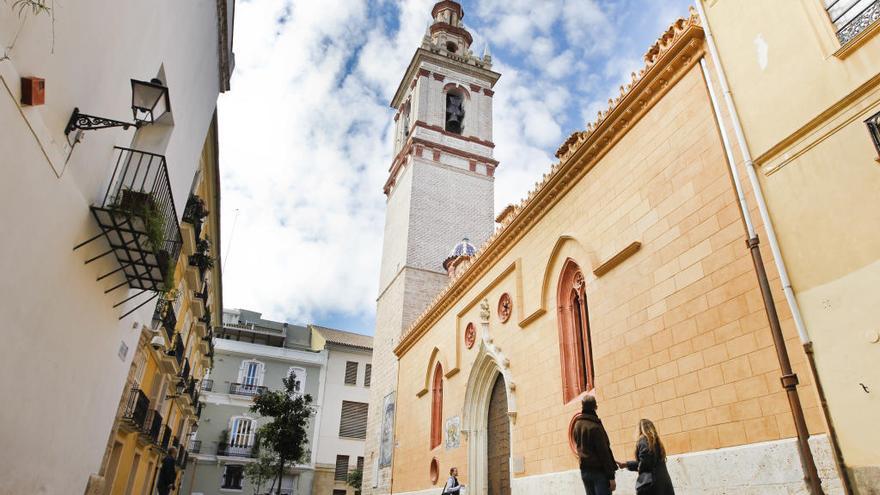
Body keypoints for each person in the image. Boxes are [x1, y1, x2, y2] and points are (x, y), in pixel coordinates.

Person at [572, 395, 618, 495]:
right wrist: (611, 476)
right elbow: (604, 452)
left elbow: (576, 443)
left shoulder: (577, 425)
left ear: (582, 406)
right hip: (599, 472)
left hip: (584, 471)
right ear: (595, 407)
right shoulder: (595, 426)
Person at [617, 419, 675, 495]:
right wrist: (626, 464)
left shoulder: (643, 440)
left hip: (650, 484)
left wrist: (639, 467)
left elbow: (645, 463)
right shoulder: (657, 442)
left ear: (640, 429)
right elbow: (648, 461)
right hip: (664, 483)